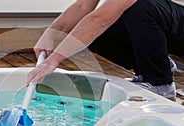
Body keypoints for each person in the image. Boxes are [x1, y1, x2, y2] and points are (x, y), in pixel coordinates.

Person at [27, 0, 184, 100]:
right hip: (169, 23)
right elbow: (82, 6)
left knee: (139, 7)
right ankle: (158, 63)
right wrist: (49, 34)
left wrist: (53, 60)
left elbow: (99, 20)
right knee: (85, 27)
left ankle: (160, 81)